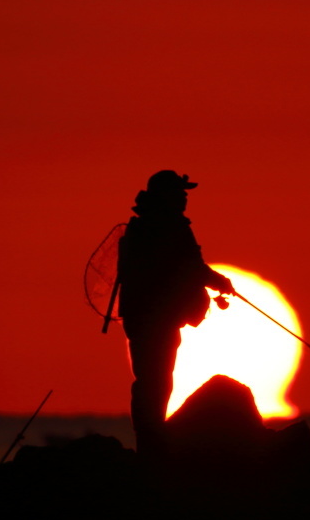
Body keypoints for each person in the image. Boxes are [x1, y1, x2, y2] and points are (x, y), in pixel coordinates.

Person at [117, 170, 235, 456]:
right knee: (156, 378)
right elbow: (190, 266)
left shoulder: (142, 226)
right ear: (166, 196)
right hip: (157, 318)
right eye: (180, 193)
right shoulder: (169, 227)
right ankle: (152, 439)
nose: (184, 198)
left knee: (150, 377)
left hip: (141, 316)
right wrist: (220, 282)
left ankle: (149, 438)